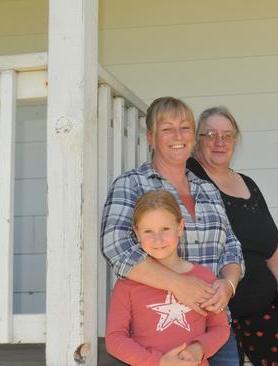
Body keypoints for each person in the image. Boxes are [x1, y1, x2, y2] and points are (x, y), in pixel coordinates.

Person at [101, 97, 244, 365]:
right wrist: (179, 284)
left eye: (185, 128)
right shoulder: (132, 183)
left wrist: (228, 285)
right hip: (157, 340)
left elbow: (232, 247)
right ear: (151, 137)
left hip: (214, 332)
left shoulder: (208, 189)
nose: (178, 136)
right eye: (167, 129)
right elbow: (116, 247)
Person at [187, 106, 278, 366]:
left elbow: (270, 243)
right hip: (215, 310)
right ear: (196, 141)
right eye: (210, 134)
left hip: (264, 308)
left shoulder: (247, 183)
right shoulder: (189, 179)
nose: (219, 142)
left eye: (227, 135)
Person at [106, 190, 230, 366]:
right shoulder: (127, 284)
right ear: (137, 232)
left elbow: (220, 328)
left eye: (165, 229)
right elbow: (114, 339)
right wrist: (158, 362)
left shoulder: (204, 277)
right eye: (148, 231)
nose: (158, 239)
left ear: (180, 227)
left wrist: (199, 348)